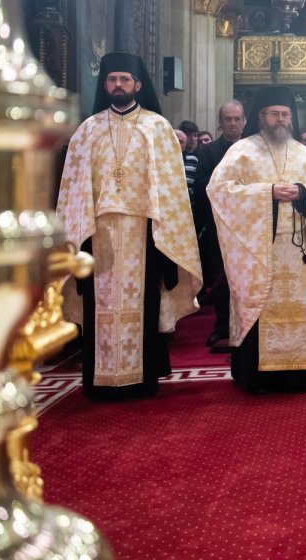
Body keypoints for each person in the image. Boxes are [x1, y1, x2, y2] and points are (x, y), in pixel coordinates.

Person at [57, 52, 202, 400]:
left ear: (138, 84)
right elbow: (73, 187)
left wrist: (163, 227)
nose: (118, 85)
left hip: (144, 231)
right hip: (99, 231)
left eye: (125, 79)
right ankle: (100, 380)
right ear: (104, 84)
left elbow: (170, 188)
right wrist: (78, 232)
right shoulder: (87, 130)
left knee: (144, 301)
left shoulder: (157, 127)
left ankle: (142, 377)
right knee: (99, 302)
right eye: (112, 79)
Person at [206, 86, 306, 392]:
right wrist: (267, 193)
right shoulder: (242, 151)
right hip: (257, 251)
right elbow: (219, 190)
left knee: (299, 305)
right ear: (261, 117)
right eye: (274, 114)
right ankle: (258, 375)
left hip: (297, 250)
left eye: (285, 114)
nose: (280, 120)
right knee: (259, 305)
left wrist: (303, 192)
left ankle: (301, 373)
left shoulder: (304, 152)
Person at [191, 99, 247, 352]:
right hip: (219, 228)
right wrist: (229, 189)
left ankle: (248, 326)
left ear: (244, 121)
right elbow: (201, 186)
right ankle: (223, 327)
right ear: (221, 122)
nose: (233, 123)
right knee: (222, 281)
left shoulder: (254, 149)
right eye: (228, 119)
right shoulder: (207, 152)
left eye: (237, 119)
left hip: (251, 227)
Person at [179, 120, 201, 198]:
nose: (192, 139)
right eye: (189, 136)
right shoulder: (178, 156)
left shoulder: (202, 155)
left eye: (195, 135)